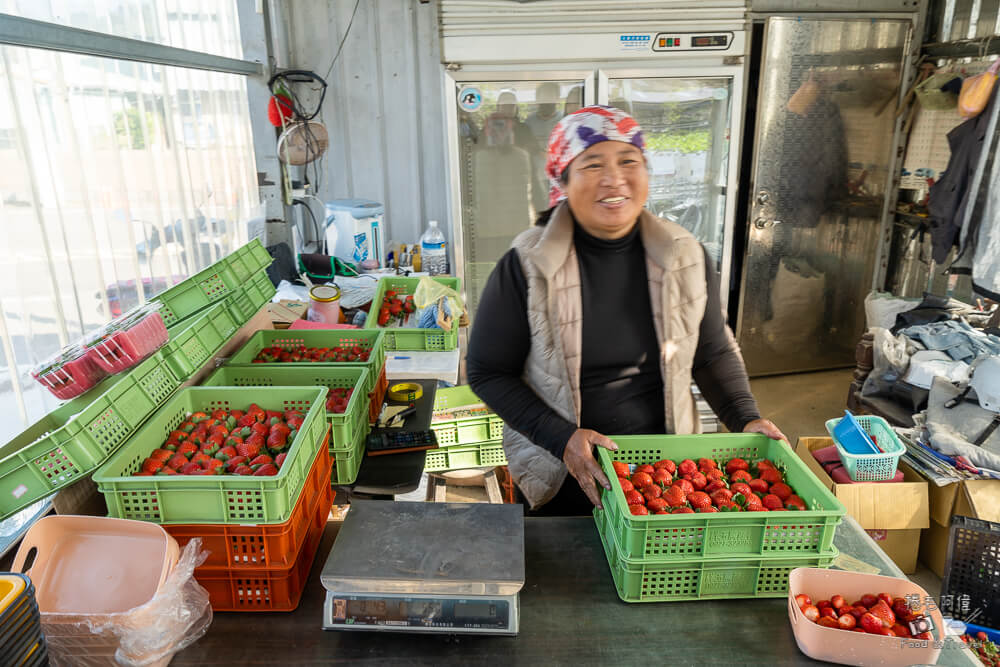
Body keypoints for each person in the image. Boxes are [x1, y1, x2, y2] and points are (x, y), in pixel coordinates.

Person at [466, 106, 787, 515]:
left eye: (628, 161)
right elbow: (487, 370)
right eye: (593, 164)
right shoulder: (528, 264)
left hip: (670, 472)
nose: (614, 178)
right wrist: (562, 437)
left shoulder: (685, 254)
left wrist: (746, 419)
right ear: (563, 180)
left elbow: (712, 352)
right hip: (567, 472)